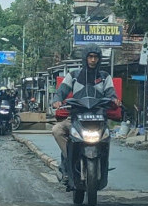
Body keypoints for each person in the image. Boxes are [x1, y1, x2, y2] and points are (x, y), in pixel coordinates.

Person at [51, 44, 121, 181]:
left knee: (106, 138)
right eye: (90, 57)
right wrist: (57, 101)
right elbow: (61, 92)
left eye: (95, 57)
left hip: (99, 120)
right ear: (85, 58)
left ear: (99, 59)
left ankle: (103, 163)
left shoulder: (105, 77)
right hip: (75, 119)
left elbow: (112, 94)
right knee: (57, 130)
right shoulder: (73, 76)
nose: (93, 60)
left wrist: (115, 100)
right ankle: (69, 158)